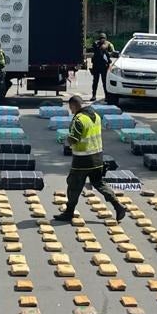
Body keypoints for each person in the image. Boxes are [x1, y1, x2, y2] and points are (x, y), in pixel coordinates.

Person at [54, 94, 125, 224]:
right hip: (98, 158)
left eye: (71, 108)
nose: (71, 111)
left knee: (74, 186)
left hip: (82, 160)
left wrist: (66, 140)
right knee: (99, 183)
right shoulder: (96, 116)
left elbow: (74, 139)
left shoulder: (79, 119)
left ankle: (69, 212)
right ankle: (117, 205)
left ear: (74, 105)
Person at [87, 32, 116, 101]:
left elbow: (113, 52)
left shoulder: (108, 44)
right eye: (101, 38)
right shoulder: (96, 43)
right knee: (95, 81)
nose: (102, 39)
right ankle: (94, 95)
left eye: (103, 38)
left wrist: (107, 52)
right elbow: (93, 48)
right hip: (96, 65)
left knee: (105, 82)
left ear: (105, 39)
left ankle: (106, 96)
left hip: (104, 66)